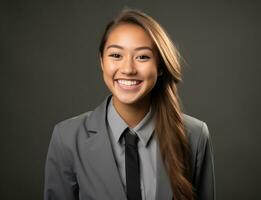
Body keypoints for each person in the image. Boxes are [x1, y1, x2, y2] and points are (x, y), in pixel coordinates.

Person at [44, 8, 216, 200]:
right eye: (116, 55)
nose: (128, 69)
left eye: (142, 57)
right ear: (102, 61)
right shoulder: (67, 138)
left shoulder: (195, 135)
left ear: (160, 66)